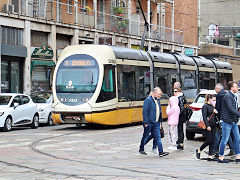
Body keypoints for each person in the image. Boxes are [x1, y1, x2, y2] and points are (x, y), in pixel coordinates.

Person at [139, 87, 169, 157]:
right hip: (149, 122)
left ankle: (161, 152)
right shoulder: (148, 100)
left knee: (158, 136)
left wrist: (160, 121)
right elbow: (145, 111)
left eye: (160, 95)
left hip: (156, 123)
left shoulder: (157, 100)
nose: (159, 96)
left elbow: (159, 111)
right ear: (154, 93)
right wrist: (145, 122)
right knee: (145, 136)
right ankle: (141, 149)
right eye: (158, 94)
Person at [218, 81, 240, 163]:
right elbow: (230, 109)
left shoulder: (234, 96)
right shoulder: (228, 96)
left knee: (237, 139)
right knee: (225, 139)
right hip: (227, 121)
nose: (237, 88)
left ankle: (238, 156)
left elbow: (234, 108)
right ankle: (221, 157)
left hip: (233, 121)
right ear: (232, 88)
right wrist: (238, 114)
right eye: (236, 86)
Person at [213, 83, 234, 156]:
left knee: (219, 134)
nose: (215, 90)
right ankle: (232, 149)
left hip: (222, 118)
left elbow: (219, 108)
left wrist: (218, 117)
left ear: (218, 89)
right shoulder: (226, 94)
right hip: (226, 118)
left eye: (215, 88)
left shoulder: (220, 96)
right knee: (226, 134)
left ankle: (215, 150)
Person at [196, 94, 218, 161]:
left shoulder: (213, 106)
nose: (214, 101)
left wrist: (216, 112)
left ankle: (210, 155)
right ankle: (199, 149)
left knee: (212, 140)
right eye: (213, 100)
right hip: (207, 126)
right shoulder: (205, 106)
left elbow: (215, 116)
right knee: (209, 140)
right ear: (209, 99)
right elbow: (204, 117)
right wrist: (208, 125)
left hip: (213, 125)